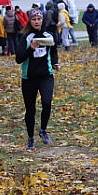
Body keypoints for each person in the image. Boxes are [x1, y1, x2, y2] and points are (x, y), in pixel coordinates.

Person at [15, 9, 60, 150]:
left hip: (46, 75)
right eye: (33, 19)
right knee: (30, 109)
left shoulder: (48, 35)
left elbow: (53, 51)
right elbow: (18, 59)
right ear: (30, 21)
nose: (36, 21)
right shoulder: (26, 37)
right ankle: (30, 138)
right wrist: (31, 49)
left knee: (47, 102)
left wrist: (55, 63)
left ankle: (43, 130)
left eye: (38, 19)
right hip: (29, 77)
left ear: (42, 20)